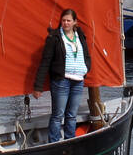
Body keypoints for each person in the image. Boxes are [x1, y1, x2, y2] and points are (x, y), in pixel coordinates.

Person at [33, 8, 91, 143]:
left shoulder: (80, 36)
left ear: (75, 22)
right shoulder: (54, 38)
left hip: (78, 80)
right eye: (63, 20)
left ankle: (70, 141)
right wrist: (38, 86)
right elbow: (45, 62)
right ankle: (54, 142)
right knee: (58, 115)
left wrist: (86, 68)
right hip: (61, 81)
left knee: (72, 115)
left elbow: (86, 55)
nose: (66, 23)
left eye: (69, 21)